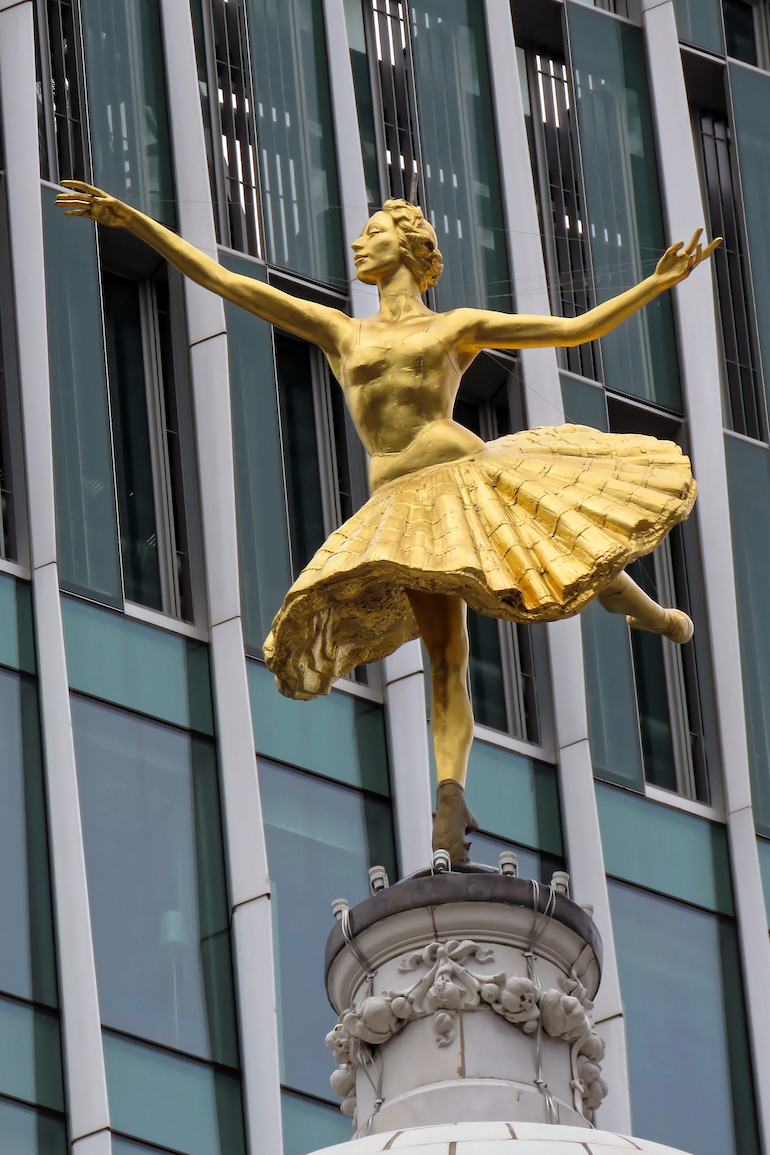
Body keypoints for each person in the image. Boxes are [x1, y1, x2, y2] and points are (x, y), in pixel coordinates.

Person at [55, 182, 719, 861]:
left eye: (371, 233)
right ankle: (450, 798)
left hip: (463, 476)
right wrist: (132, 219)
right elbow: (227, 282)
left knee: (562, 548)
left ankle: (652, 614)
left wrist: (655, 284)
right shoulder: (344, 332)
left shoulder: (453, 327)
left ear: (405, 246)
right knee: (445, 660)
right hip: (402, 507)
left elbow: (574, 331)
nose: (357, 244)